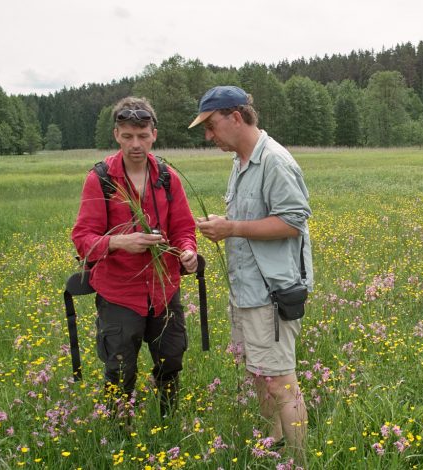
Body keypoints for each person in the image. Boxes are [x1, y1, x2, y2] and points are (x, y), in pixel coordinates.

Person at [191, 86, 312, 461]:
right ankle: (276, 444)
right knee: (260, 376)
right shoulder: (240, 162)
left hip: (271, 293)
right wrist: (223, 226)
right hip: (246, 291)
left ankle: (300, 461)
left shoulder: (275, 161)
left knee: (280, 382)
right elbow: (244, 220)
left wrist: (232, 229)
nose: (209, 136)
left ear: (236, 117)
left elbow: (293, 222)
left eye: (212, 126)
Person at [71, 96, 198, 419]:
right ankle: (118, 434)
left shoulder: (168, 177)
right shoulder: (100, 179)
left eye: (142, 136)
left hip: (164, 290)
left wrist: (187, 251)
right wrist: (118, 243)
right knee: (119, 368)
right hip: (119, 294)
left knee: (171, 362)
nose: (136, 144)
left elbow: (184, 228)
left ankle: (166, 422)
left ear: (154, 133)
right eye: (127, 136)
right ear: (116, 135)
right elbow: (82, 239)